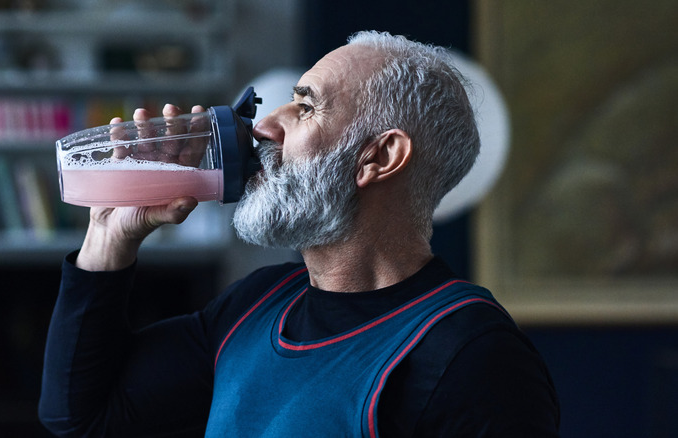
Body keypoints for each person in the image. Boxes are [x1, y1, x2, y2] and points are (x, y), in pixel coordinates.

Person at [39, 30, 560, 437]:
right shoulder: (257, 304)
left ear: (379, 157)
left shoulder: (470, 355)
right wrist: (110, 235)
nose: (266, 126)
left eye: (306, 106)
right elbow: (84, 417)